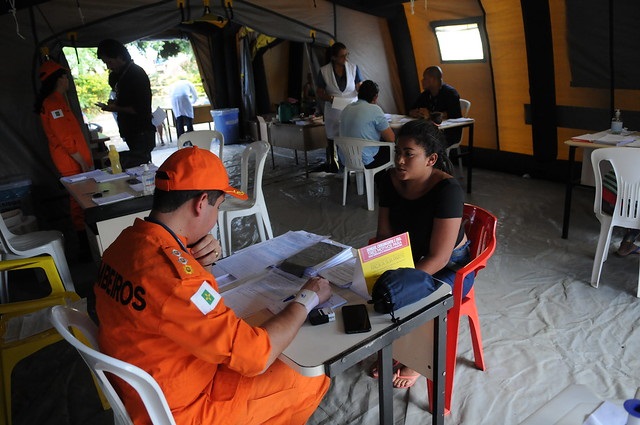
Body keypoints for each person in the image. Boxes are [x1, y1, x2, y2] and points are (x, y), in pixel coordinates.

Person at [93, 146, 331, 424]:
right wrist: (307, 299)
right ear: (201, 202)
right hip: (185, 409)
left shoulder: (126, 243)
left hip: (145, 390)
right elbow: (256, 357)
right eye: (218, 207)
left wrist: (197, 262)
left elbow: (178, 305)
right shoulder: (178, 280)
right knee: (309, 376)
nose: (216, 218)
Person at [374, 119, 472, 389]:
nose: (400, 161)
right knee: (375, 290)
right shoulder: (389, 180)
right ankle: (391, 349)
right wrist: (380, 268)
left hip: (452, 266)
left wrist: (402, 282)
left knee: (411, 298)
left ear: (431, 159)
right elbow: (384, 234)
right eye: (397, 152)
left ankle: (418, 359)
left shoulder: (447, 191)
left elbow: (439, 258)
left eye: (409, 154)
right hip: (412, 257)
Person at [34, 60, 93, 259]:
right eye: (65, 76)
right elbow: (65, 139)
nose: (68, 80)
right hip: (71, 163)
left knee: (81, 200)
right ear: (59, 79)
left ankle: (87, 243)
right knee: (78, 203)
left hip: (75, 161)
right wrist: (82, 162)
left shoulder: (57, 101)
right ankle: (85, 247)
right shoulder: (53, 103)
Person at [97, 39, 155, 169]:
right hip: (131, 130)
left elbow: (140, 109)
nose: (108, 67)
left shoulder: (136, 74)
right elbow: (126, 100)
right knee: (138, 168)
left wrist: (115, 107)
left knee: (142, 168)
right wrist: (114, 103)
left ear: (120, 57)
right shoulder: (120, 75)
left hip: (141, 131)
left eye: (109, 62)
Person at [316, 42, 363, 173]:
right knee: (333, 137)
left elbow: (360, 87)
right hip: (333, 109)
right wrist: (330, 98)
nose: (345, 58)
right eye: (342, 56)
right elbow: (320, 92)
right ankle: (335, 165)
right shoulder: (324, 71)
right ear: (334, 58)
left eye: (346, 55)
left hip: (352, 107)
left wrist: (365, 95)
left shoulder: (354, 68)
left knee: (350, 136)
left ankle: (352, 164)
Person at [338, 80, 395, 169]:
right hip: (365, 161)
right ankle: (379, 180)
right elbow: (391, 138)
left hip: (346, 160)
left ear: (359, 93)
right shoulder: (375, 109)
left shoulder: (347, 108)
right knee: (393, 149)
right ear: (375, 97)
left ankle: (369, 180)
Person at [409, 66, 462, 147]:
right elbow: (412, 108)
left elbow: (454, 114)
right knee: (410, 137)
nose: (422, 81)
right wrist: (415, 112)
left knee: (421, 143)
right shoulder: (426, 94)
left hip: (448, 133)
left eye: (424, 78)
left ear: (432, 79)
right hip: (430, 130)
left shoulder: (450, 93)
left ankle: (434, 159)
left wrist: (430, 115)